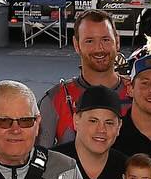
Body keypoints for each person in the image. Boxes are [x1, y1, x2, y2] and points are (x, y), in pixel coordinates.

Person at [37, 10, 131, 145]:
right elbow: (41, 154)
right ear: (76, 45)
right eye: (89, 41)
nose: (99, 48)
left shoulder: (138, 94)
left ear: (117, 41)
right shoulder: (56, 99)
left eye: (105, 39)